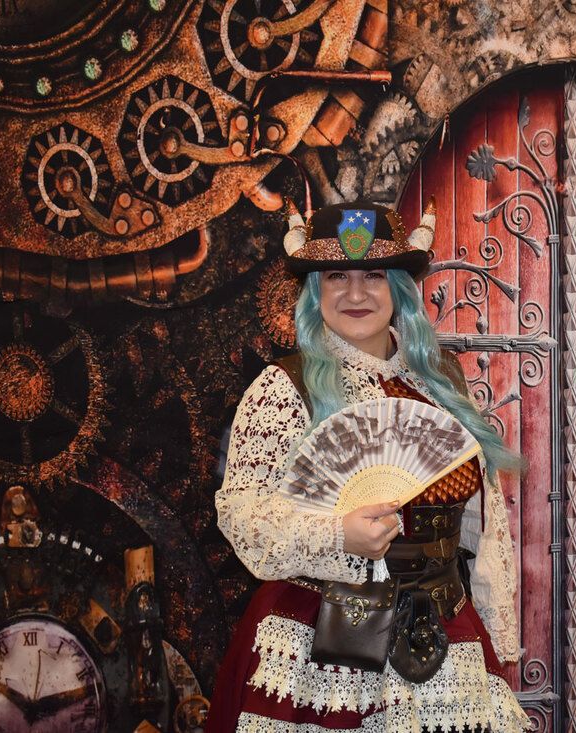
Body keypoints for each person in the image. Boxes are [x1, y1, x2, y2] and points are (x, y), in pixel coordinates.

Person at [205, 200, 529, 732]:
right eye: (337, 276)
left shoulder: (443, 384)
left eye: (374, 275)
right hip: (318, 640)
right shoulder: (283, 389)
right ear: (315, 291)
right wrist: (340, 535)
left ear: (399, 288)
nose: (355, 294)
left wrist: (494, 626)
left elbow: (483, 522)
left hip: (441, 628)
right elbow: (244, 516)